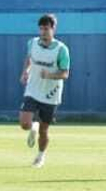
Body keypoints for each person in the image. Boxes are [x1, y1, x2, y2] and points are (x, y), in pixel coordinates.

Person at [18, 13, 71, 168]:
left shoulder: (62, 49)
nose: (43, 32)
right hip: (33, 89)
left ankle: (40, 156)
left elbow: (65, 73)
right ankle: (32, 125)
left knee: (44, 130)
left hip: (51, 94)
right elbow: (29, 58)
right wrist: (25, 71)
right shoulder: (32, 43)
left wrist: (50, 75)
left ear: (53, 29)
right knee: (24, 124)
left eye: (46, 29)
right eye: (41, 29)